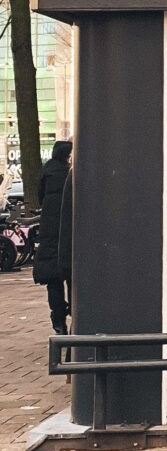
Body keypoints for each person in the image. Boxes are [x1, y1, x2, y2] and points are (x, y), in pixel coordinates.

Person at [33, 140, 73, 334]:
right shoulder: (70, 174)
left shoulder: (46, 173)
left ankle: (58, 319)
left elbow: (40, 198)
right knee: (72, 275)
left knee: (53, 279)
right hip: (67, 231)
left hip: (49, 233)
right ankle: (75, 311)